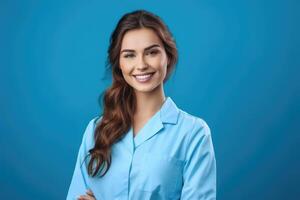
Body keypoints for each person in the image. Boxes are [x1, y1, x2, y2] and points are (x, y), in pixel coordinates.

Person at [66, 9, 216, 200]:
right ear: (119, 63)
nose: (141, 64)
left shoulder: (193, 134)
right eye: (129, 55)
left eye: (151, 52)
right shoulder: (96, 130)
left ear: (167, 57)